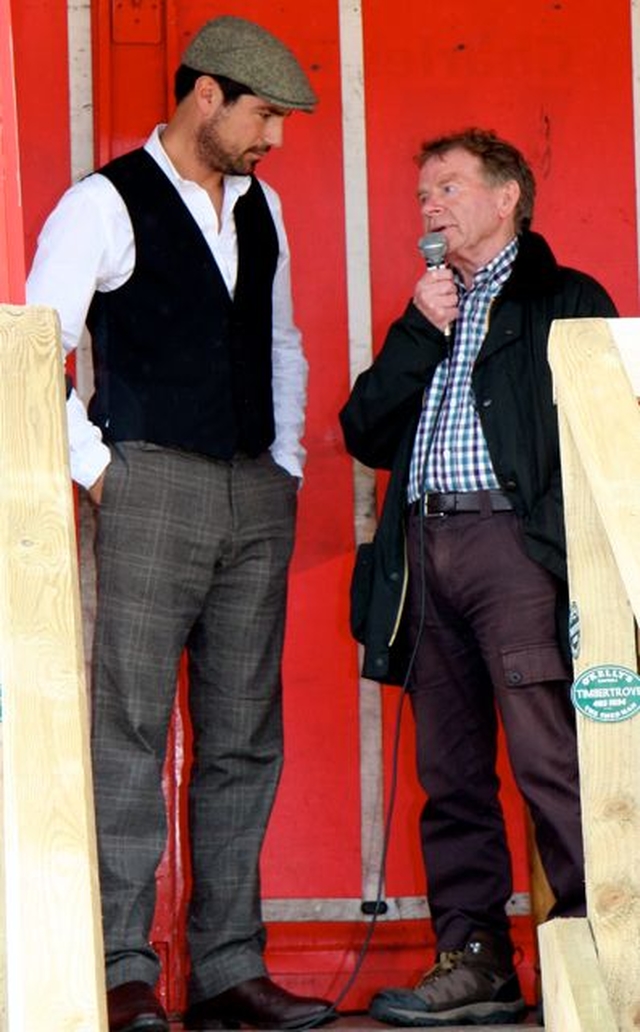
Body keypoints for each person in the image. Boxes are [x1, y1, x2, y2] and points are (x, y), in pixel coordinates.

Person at [27, 15, 334, 1032]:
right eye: (264, 115)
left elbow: (280, 341)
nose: (274, 137)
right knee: (129, 733)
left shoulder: (264, 208)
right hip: (151, 479)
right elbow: (37, 351)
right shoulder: (102, 203)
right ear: (204, 94)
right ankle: (119, 971)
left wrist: (285, 463)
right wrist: (101, 473)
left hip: (256, 487)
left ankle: (225, 971)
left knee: (245, 736)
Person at [339, 127, 618, 1027]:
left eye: (450, 188)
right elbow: (363, 431)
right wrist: (420, 332)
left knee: (552, 755)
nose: (430, 207)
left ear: (507, 199)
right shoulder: (426, 306)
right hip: (425, 554)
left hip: (516, 549)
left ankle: (601, 951)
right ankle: (474, 960)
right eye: (423, 195)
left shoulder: (566, 298)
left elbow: (607, 437)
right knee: (449, 768)